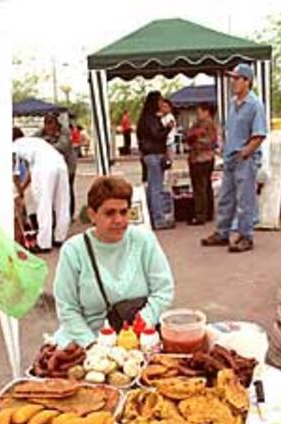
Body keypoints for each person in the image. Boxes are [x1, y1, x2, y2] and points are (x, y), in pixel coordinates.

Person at [53, 175, 174, 347]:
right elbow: (67, 308)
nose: (118, 220)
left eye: (124, 212)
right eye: (109, 213)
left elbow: (163, 290)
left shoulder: (144, 240)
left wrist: (139, 326)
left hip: (140, 339)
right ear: (92, 215)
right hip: (87, 341)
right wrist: (93, 347)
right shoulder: (74, 250)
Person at [202, 64, 267, 253]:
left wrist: (245, 152)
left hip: (245, 158)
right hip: (231, 157)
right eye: (232, 78)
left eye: (237, 78)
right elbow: (228, 129)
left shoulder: (255, 104)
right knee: (225, 197)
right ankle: (222, 232)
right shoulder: (232, 103)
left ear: (247, 81)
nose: (233, 82)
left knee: (245, 200)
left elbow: (260, 134)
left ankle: (246, 236)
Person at [12, 127, 70, 253]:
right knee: (62, 203)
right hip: (60, 163)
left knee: (43, 204)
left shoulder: (13, 147)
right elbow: (30, 173)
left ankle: (44, 243)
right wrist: (23, 187)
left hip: (43, 167)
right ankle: (60, 238)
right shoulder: (34, 142)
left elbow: (15, 174)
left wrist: (19, 191)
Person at [137, 91, 173, 229]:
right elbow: (156, 135)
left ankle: (152, 217)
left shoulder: (145, 118)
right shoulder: (151, 118)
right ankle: (159, 219)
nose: (161, 103)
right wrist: (167, 129)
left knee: (152, 186)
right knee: (156, 187)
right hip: (154, 154)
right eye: (159, 100)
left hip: (148, 154)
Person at [34, 113, 77, 221]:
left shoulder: (65, 131)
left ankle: (69, 215)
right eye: (46, 123)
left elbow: (63, 146)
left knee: (67, 191)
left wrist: (45, 146)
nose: (48, 126)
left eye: (51, 123)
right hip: (53, 169)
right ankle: (56, 215)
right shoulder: (42, 132)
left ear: (56, 123)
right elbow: (33, 140)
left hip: (68, 167)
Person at [186, 102, 218, 225]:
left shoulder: (206, 125)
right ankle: (207, 212)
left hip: (201, 158)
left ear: (206, 112)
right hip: (204, 158)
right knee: (205, 186)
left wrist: (195, 138)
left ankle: (200, 215)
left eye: (199, 112)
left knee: (200, 187)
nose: (197, 115)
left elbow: (209, 141)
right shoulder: (204, 124)